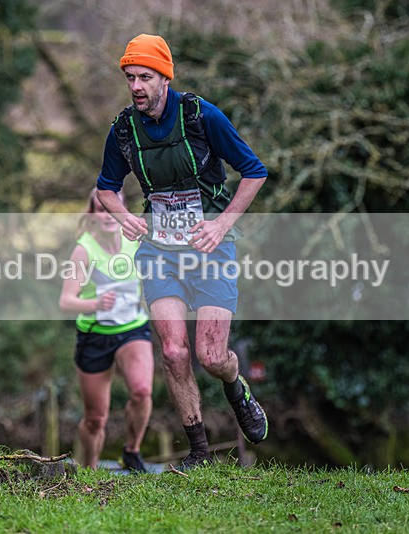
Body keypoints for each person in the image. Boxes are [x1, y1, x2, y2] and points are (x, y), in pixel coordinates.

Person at [96, 34, 269, 470]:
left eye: (145, 77)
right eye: (130, 78)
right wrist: (125, 218)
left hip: (210, 248)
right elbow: (106, 189)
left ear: (164, 78)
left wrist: (222, 224)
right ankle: (199, 452)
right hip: (159, 251)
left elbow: (254, 171)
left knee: (212, 356)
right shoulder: (123, 130)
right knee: (174, 352)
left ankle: (237, 389)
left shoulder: (201, 116)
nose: (136, 86)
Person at [59, 187, 154, 473]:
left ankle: (132, 451)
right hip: (95, 334)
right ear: (93, 215)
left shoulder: (136, 239)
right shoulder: (83, 249)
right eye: (101, 209)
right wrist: (96, 304)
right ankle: (89, 470)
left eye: (113, 208)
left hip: (133, 329)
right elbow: (66, 301)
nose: (109, 215)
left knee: (142, 391)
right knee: (95, 419)